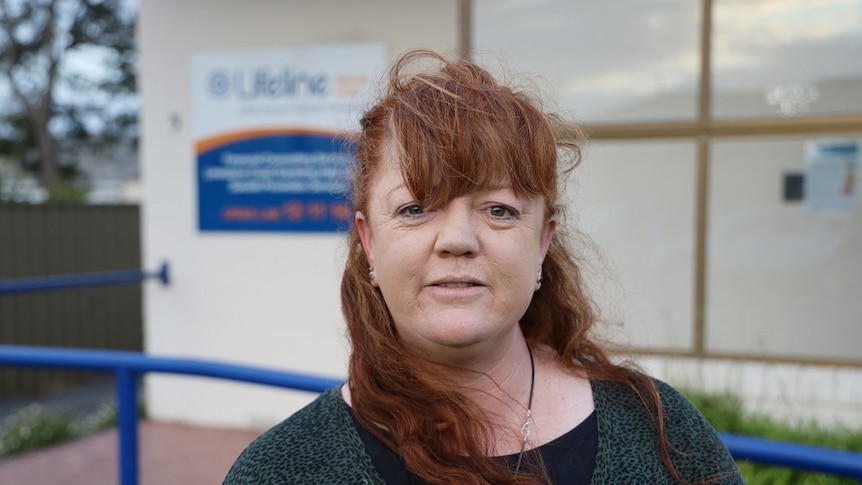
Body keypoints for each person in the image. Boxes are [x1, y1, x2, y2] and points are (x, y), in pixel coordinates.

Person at [223, 49, 744, 485]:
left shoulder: (661, 433)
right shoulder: (282, 471)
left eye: (499, 210)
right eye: (415, 208)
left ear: (542, 242)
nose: (457, 240)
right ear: (369, 243)